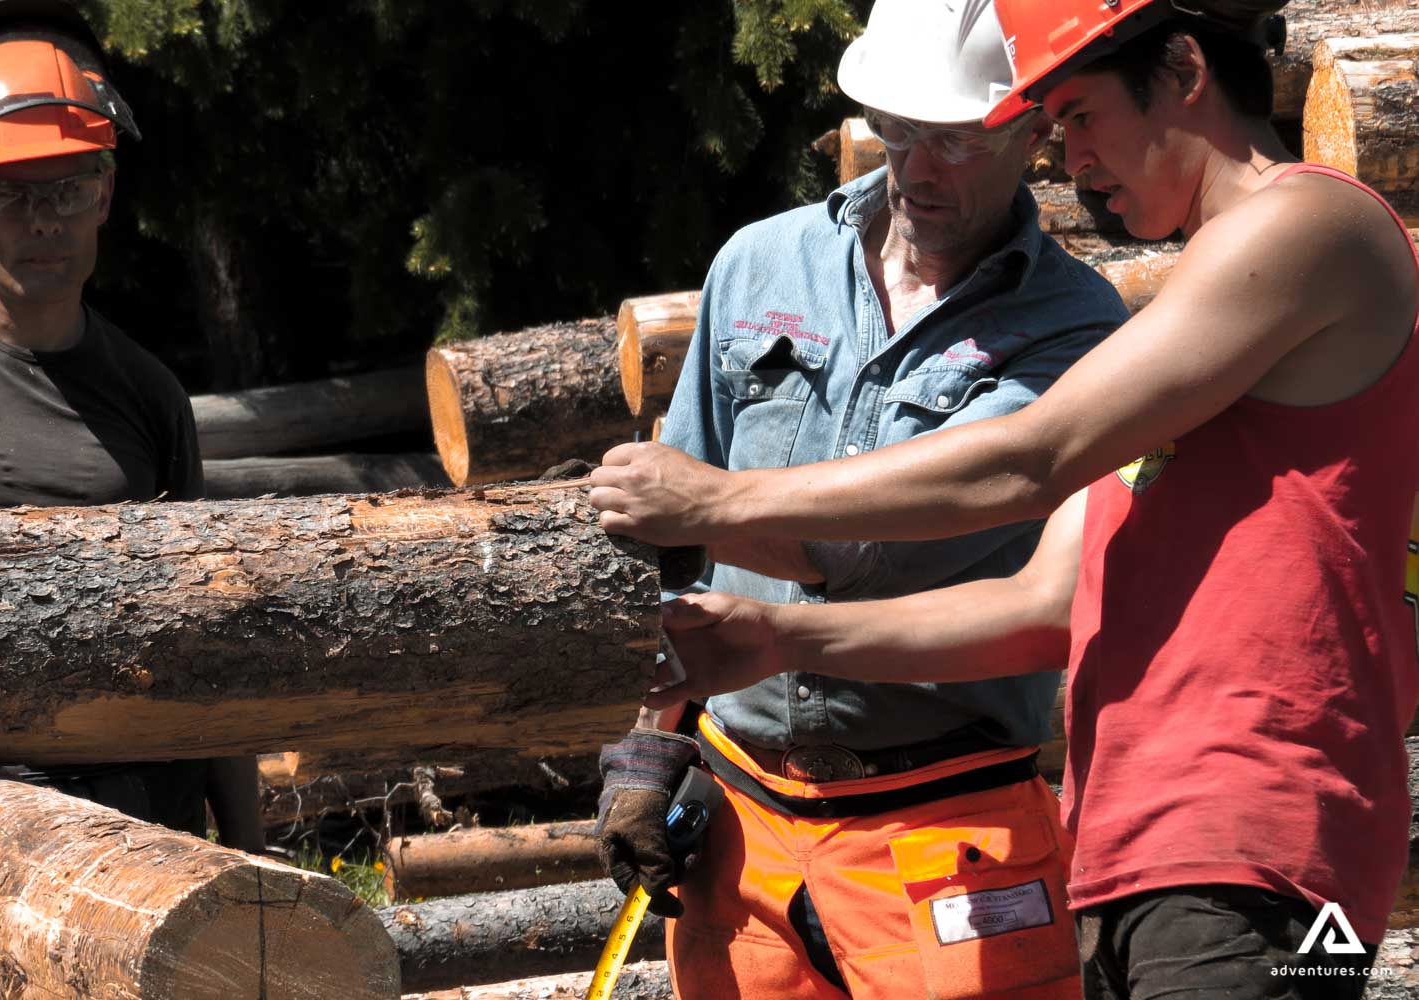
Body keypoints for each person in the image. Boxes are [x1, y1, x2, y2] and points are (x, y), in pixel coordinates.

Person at [590, 0, 1419, 995]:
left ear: (1186, 68)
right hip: (1150, 846)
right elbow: (1040, 607)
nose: (1069, 160)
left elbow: (1031, 456)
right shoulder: (1189, 341)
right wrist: (778, 640)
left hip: (1268, 835)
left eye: (1077, 116)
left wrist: (722, 504)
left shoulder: (1310, 222)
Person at [592, 2, 1128, 997]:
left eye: (956, 142)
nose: (917, 170)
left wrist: (705, 499)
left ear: (1032, 128)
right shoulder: (762, 263)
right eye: (898, 131)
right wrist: (655, 736)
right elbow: (684, 550)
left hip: (946, 820)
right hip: (742, 821)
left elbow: (889, 552)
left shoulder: (1073, 326)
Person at [0, 0, 263, 853]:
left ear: (104, 191)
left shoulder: (148, 395)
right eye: (8, 192)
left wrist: (248, 847)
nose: (43, 220)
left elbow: (205, 639)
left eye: (69, 188)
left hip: (140, 835)